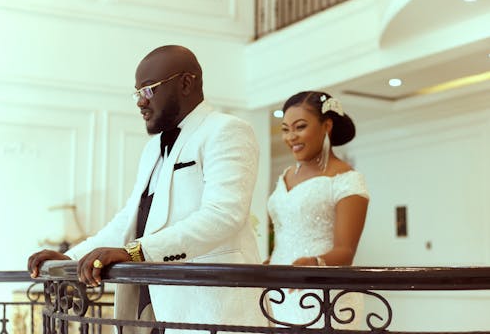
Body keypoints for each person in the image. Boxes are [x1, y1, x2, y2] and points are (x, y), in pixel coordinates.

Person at [28, 45, 267, 333]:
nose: (140, 102)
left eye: (149, 90)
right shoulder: (153, 148)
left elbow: (223, 215)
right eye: (137, 93)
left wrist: (136, 253)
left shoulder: (226, 130)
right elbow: (130, 218)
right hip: (154, 308)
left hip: (210, 309)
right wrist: (73, 257)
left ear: (186, 83)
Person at [266, 91, 369, 329]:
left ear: (327, 126)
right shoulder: (286, 175)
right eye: (285, 129)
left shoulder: (347, 180)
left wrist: (313, 264)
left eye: (300, 127)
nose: (291, 137)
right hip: (276, 292)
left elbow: (346, 251)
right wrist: (270, 262)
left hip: (321, 296)